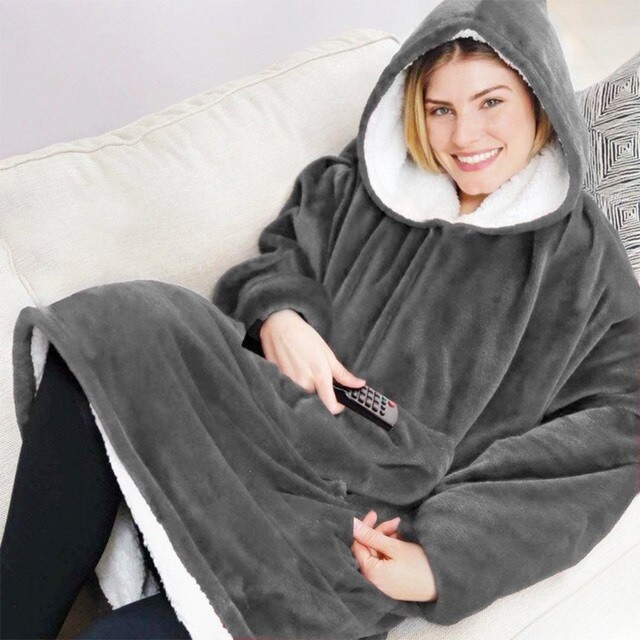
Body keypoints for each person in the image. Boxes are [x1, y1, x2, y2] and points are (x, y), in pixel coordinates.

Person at [2, 0, 638, 638]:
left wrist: (442, 560)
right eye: (440, 109)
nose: (464, 137)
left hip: (354, 514)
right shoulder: (370, 178)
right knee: (118, 327)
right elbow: (282, 256)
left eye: (490, 102)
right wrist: (281, 315)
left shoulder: (584, 264)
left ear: (540, 98)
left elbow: (613, 438)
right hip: (257, 419)